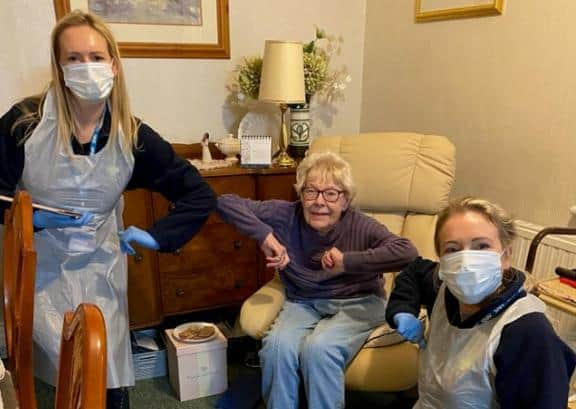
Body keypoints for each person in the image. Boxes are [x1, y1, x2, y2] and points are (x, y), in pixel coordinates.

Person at [0, 11, 216, 409]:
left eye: (96, 58)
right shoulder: (25, 124)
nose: (87, 67)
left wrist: (154, 235)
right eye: (74, 58)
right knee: (46, 378)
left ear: (114, 65)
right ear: (58, 66)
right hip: (39, 267)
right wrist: (31, 218)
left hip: (102, 268)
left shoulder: (130, 135)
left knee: (106, 377)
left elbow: (197, 194)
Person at [217, 151, 418, 409]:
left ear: (345, 200)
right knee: (276, 346)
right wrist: (265, 236)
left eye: (331, 193)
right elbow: (224, 202)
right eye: (310, 191)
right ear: (300, 195)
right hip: (304, 301)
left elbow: (407, 251)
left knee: (320, 348)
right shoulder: (285, 215)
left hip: (360, 301)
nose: (319, 202)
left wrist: (347, 261)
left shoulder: (361, 224)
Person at [386, 197, 576, 409]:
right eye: (452, 249)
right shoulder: (443, 289)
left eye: (481, 246)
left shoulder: (526, 332)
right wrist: (402, 311)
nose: (466, 262)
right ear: (442, 260)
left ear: (506, 256)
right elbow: (414, 271)